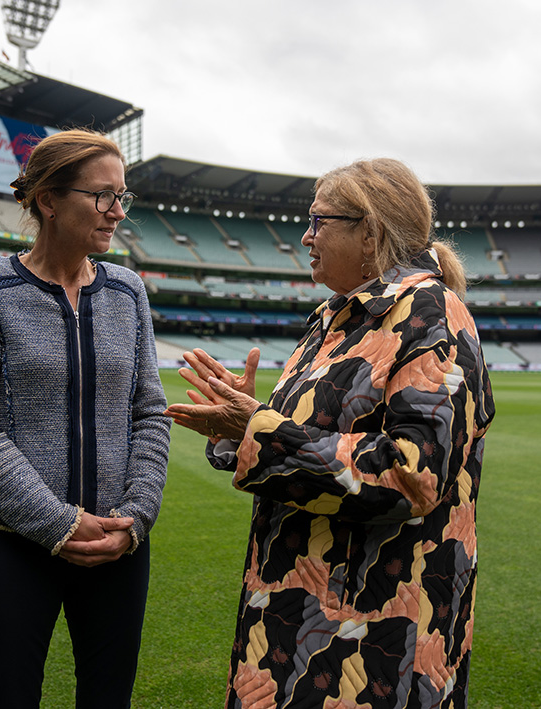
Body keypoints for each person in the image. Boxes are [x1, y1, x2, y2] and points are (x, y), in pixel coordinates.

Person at [166, 158, 495, 708]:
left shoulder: (431, 313)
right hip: (295, 613)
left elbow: (408, 476)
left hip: (372, 632)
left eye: (319, 221)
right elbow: (305, 438)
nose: (305, 235)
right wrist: (236, 429)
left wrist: (259, 429)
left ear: (369, 230)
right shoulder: (332, 317)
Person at [0, 128, 171, 708]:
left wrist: (135, 516)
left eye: (123, 196)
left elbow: (149, 412)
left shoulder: (128, 292)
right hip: (12, 546)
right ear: (47, 200)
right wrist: (57, 523)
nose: (118, 212)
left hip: (118, 545)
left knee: (107, 698)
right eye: (102, 196)